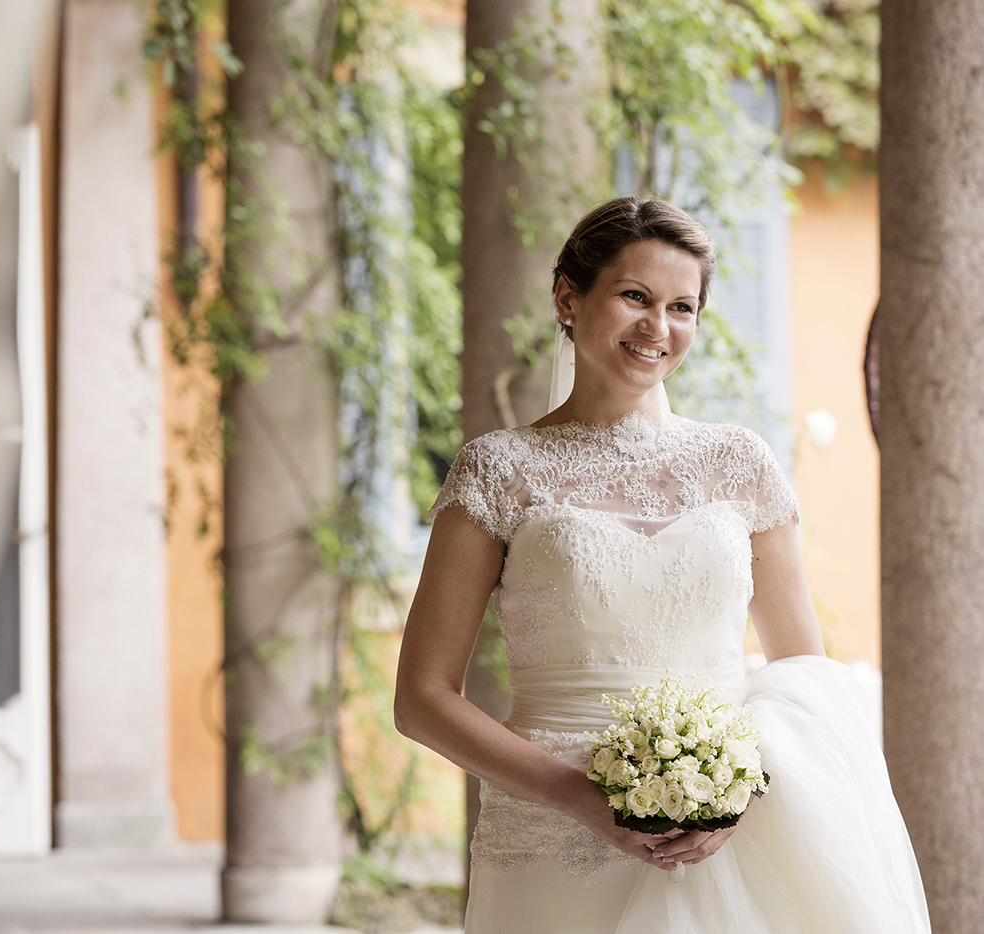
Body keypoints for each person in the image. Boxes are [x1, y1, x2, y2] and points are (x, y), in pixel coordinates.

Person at [393, 197, 931, 933]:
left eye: (683, 306)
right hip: (552, 841)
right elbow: (422, 697)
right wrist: (583, 798)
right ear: (567, 298)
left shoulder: (739, 463)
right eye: (634, 297)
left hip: (727, 841)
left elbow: (805, 669)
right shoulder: (500, 469)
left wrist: (738, 789)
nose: (658, 328)